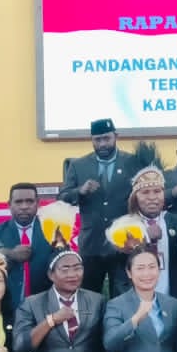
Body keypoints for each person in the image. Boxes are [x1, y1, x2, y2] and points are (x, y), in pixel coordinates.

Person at [61, 118, 139, 294]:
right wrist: (80, 191)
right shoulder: (78, 166)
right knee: (89, 296)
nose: (102, 144)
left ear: (116, 136)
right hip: (91, 245)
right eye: (97, 139)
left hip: (123, 244)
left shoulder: (132, 162)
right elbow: (63, 197)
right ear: (91, 139)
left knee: (122, 297)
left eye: (106, 138)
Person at [105, 163, 177, 299]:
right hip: (133, 300)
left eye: (157, 191)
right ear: (135, 197)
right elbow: (111, 254)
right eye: (145, 192)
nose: (152, 197)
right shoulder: (124, 223)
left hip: (171, 299)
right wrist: (145, 237)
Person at [0, 182, 54, 312]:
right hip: (4, 308)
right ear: (9, 204)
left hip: (44, 308)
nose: (24, 207)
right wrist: (10, 253)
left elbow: (63, 265)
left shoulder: (53, 232)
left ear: (38, 203)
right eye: (18, 202)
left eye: (29, 201)